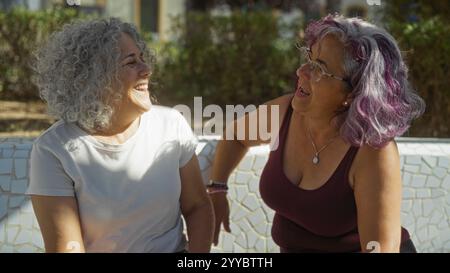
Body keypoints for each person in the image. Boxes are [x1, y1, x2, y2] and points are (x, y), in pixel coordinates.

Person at [209, 14, 425, 253]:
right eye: (309, 59)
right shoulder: (284, 113)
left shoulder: (374, 150)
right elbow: (235, 135)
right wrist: (217, 189)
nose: (302, 71)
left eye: (319, 68)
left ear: (353, 94)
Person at [27, 18, 214, 253]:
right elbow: (67, 247)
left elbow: (197, 206)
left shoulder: (171, 124)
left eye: (142, 59)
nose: (146, 70)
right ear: (94, 79)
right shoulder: (53, 149)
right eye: (130, 62)